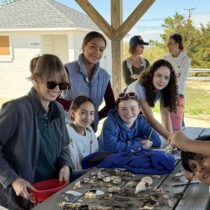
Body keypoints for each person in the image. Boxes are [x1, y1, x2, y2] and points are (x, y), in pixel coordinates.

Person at [0, 54, 75, 210]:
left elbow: (64, 146)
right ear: (35, 79)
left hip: (54, 189)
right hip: (26, 195)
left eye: (62, 85)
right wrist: (13, 179)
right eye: (51, 84)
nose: (57, 90)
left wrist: (66, 165)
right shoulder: (16, 109)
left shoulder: (58, 110)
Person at [57, 31, 115, 130]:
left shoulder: (104, 76)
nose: (97, 52)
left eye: (101, 49)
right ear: (83, 47)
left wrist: (94, 117)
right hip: (66, 127)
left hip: (90, 130)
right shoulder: (67, 70)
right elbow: (54, 98)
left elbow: (111, 105)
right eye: (93, 47)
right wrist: (76, 110)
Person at [126, 59, 178, 140]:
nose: (162, 80)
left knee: (156, 141)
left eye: (166, 77)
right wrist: (171, 138)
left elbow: (165, 114)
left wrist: (171, 138)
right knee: (149, 141)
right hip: (124, 118)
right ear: (151, 74)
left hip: (139, 117)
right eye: (158, 75)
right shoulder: (139, 87)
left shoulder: (163, 88)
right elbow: (150, 119)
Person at [163, 33, 190, 128]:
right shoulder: (165, 59)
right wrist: (175, 76)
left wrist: (170, 76)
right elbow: (163, 76)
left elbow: (182, 79)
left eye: (170, 43)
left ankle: (182, 142)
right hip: (166, 93)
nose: (167, 46)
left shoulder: (185, 60)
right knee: (166, 122)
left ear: (177, 44)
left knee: (178, 123)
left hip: (178, 94)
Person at [67, 96, 99, 170]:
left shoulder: (90, 131)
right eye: (83, 113)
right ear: (72, 113)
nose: (88, 118)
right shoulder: (67, 133)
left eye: (91, 113)